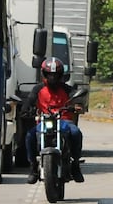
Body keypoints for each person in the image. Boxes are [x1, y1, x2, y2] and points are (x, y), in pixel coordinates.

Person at [20, 57, 84, 185]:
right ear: (44, 74)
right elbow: (30, 101)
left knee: (76, 132)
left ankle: (75, 164)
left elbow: (76, 98)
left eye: (55, 75)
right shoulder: (38, 89)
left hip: (64, 121)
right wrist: (26, 110)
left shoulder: (66, 88)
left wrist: (76, 106)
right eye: (49, 75)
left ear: (60, 75)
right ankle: (33, 167)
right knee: (29, 136)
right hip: (44, 121)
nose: (52, 78)